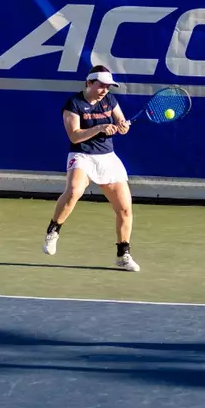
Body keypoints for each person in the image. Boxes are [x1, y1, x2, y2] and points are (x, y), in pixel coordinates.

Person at [42, 68, 139, 272]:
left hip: (107, 157)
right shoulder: (73, 104)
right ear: (89, 83)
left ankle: (123, 255)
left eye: (108, 87)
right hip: (82, 155)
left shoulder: (110, 100)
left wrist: (123, 126)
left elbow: (121, 121)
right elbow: (74, 136)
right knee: (73, 191)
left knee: (124, 208)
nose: (105, 90)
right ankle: (53, 231)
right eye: (101, 85)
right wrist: (100, 128)